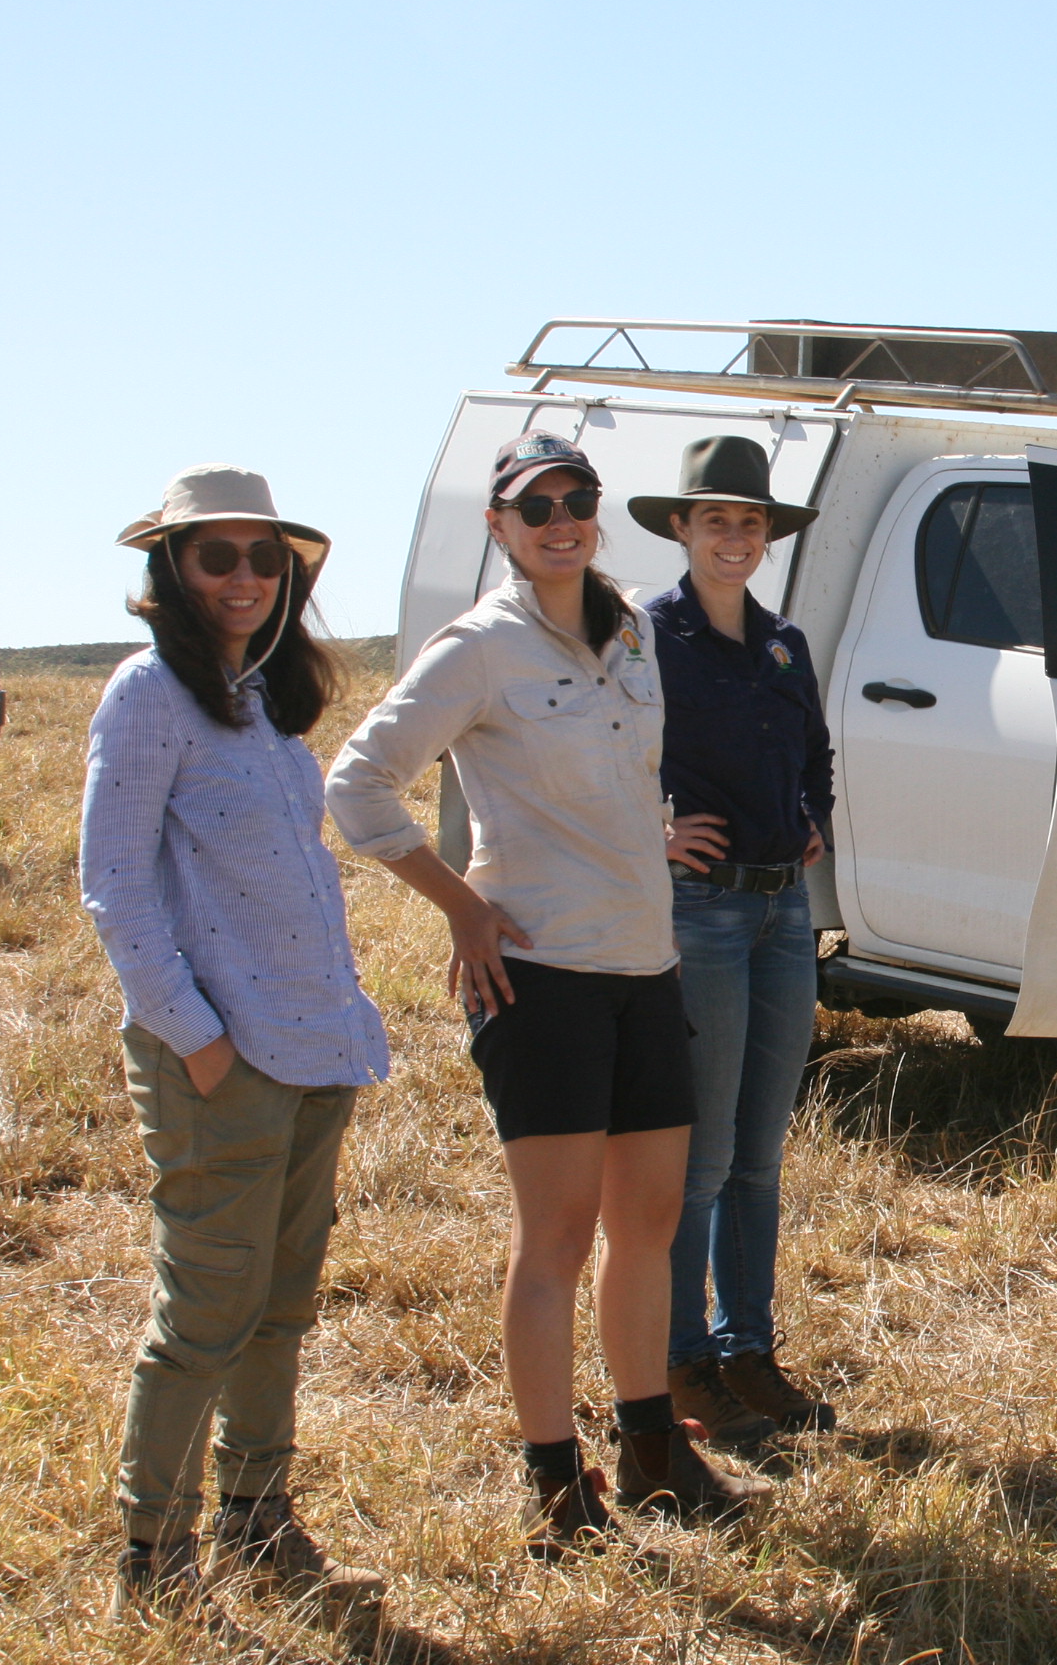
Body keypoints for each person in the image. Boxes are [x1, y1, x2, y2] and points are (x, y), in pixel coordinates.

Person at [325, 432, 768, 1561]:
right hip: (545, 978)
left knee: (653, 1225)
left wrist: (651, 834)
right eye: (537, 507)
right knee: (557, 1238)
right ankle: (557, 1486)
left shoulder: (628, 635)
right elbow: (358, 783)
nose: (562, 519)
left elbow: (624, 771)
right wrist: (459, 904)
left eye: (578, 499)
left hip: (642, 963)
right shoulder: (477, 649)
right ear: (502, 529)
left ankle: (656, 1453)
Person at [80, 465, 391, 1644]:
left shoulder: (259, 698)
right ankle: (152, 1551)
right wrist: (199, 1040)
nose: (248, 579)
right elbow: (113, 888)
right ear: (171, 569)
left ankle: (260, 1512)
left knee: (280, 1303)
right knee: (207, 1310)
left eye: (269, 560)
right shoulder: (146, 693)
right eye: (220, 557)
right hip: (220, 1055)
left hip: (312, 1046)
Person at [630, 437, 837, 1445]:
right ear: (681, 527)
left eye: (751, 522)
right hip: (702, 911)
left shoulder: (783, 643)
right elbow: (603, 752)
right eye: (716, 519)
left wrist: (812, 815)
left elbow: (816, 750)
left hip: (781, 910)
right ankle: (683, 1364)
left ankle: (749, 1350)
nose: (736, 537)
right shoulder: (645, 638)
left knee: (761, 1151)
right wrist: (654, 833)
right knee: (702, 1156)